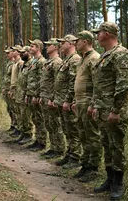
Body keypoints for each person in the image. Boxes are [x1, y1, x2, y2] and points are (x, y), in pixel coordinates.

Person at [89, 22, 128, 200]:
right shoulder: (105, 56)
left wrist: (115, 110)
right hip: (102, 110)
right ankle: (109, 179)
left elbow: (123, 86)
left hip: (115, 112)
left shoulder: (121, 54)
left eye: (98, 33)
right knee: (107, 145)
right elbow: (98, 85)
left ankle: (118, 183)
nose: (96, 36)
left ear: (107, 34)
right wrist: (94, 105)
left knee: (117, 147)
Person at [71, 31, 101, 183]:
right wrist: (75, 101)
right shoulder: (83, 59)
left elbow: (97, 84)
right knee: (83, 134)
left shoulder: (94, 58)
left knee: (92, 136)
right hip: (81, 102)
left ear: (85, 41)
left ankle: (93, 168)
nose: (75, 43)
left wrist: (94, 104)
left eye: (78, 41)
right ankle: (86, 164)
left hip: (89, 102)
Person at [53, 34, 82, 169]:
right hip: (62, 100)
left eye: (63, 42)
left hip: (68, 102)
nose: (60, 45)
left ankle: (75, 157)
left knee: (72, 130)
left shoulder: (75, 60)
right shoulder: (67, 60)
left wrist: (69, 100)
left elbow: (73, 82)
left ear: (71, 44)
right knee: (66, 129)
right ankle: (70, 153)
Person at [40, 38, 66, 159]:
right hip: (45, 96)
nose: (46, 47)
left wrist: (53, 98)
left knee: (55, 123)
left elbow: (57, 82)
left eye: (49, 45)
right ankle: (53, 147)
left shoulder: (57, 62)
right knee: (49, 123)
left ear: (55, 47)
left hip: (51, 98)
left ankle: (59, 149)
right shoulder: (49, 62)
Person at [25, 39, 47, 151]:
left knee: (39, 118)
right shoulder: (34, 61)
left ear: (38, 48)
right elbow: (31, 79)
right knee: (35, 118)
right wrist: (28, 94)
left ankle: (42, 142)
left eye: (32, 46)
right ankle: (37, 140)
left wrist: (37, 95)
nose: (30, 48)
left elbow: (41, 80)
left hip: (36, 95)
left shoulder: (42, 61)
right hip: (31, 93)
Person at [14, 46, 34, 145]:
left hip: (26, 94)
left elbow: (31, 80)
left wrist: (28, 93)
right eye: (20, 53)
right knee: (22, 115)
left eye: (23, 52)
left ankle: (28, 134)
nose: (21, 54)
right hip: (20, 93)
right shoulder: (24, 64)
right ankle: (23, 132)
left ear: (28, 52)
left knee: (26, 115)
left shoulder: (31, 64)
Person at [2, 47, 16, 133]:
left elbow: (14, 78)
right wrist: (4, 88)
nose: (7, 54)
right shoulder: (9, 64)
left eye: (8, 53)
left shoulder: (15, 64)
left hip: (12, 90)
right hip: (7, 89)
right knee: (10, 108)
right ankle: (13, 124)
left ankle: (16, 126)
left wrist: (12, 89)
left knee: (14, 109)